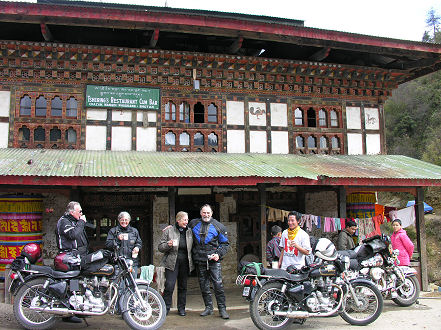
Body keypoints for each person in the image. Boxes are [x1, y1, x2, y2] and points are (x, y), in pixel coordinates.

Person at [189, 204, 230, 319]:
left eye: (208, 213)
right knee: (203, 285)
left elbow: (225, 244)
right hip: (200, 260)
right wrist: (171, 228)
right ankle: (208, 308)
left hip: (213, 260)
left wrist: (218, 254)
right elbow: (181, 227)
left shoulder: (219, 226)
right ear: (200, 213)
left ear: (212, 213)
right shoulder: (193, 223)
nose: (206, 215)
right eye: (204, 212)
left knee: (218, 284)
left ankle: (222, 309)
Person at [158, 211, 194, 316]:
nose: (186, 222)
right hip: (171, 262)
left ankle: (181, 308)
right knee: (169, 285)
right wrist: (168, 245)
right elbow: (160, 247)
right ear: (178, 220)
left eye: (187, 220)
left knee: (183, 286)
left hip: (185, 262)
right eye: (184, 220)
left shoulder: (190, 232)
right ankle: (166, 308)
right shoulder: (168, 231)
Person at [105, 211, 142, 278]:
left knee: (132, 284)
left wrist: (137, 247)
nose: (124, 222)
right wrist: (117, 239)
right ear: (119, 220)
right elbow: (108, 245)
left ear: (129, 220)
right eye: (122, 220)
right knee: (120, 286)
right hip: (118, 263)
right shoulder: (113, 231)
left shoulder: (134, 231)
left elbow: (139, 242)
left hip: (132, 262)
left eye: (126, 220)